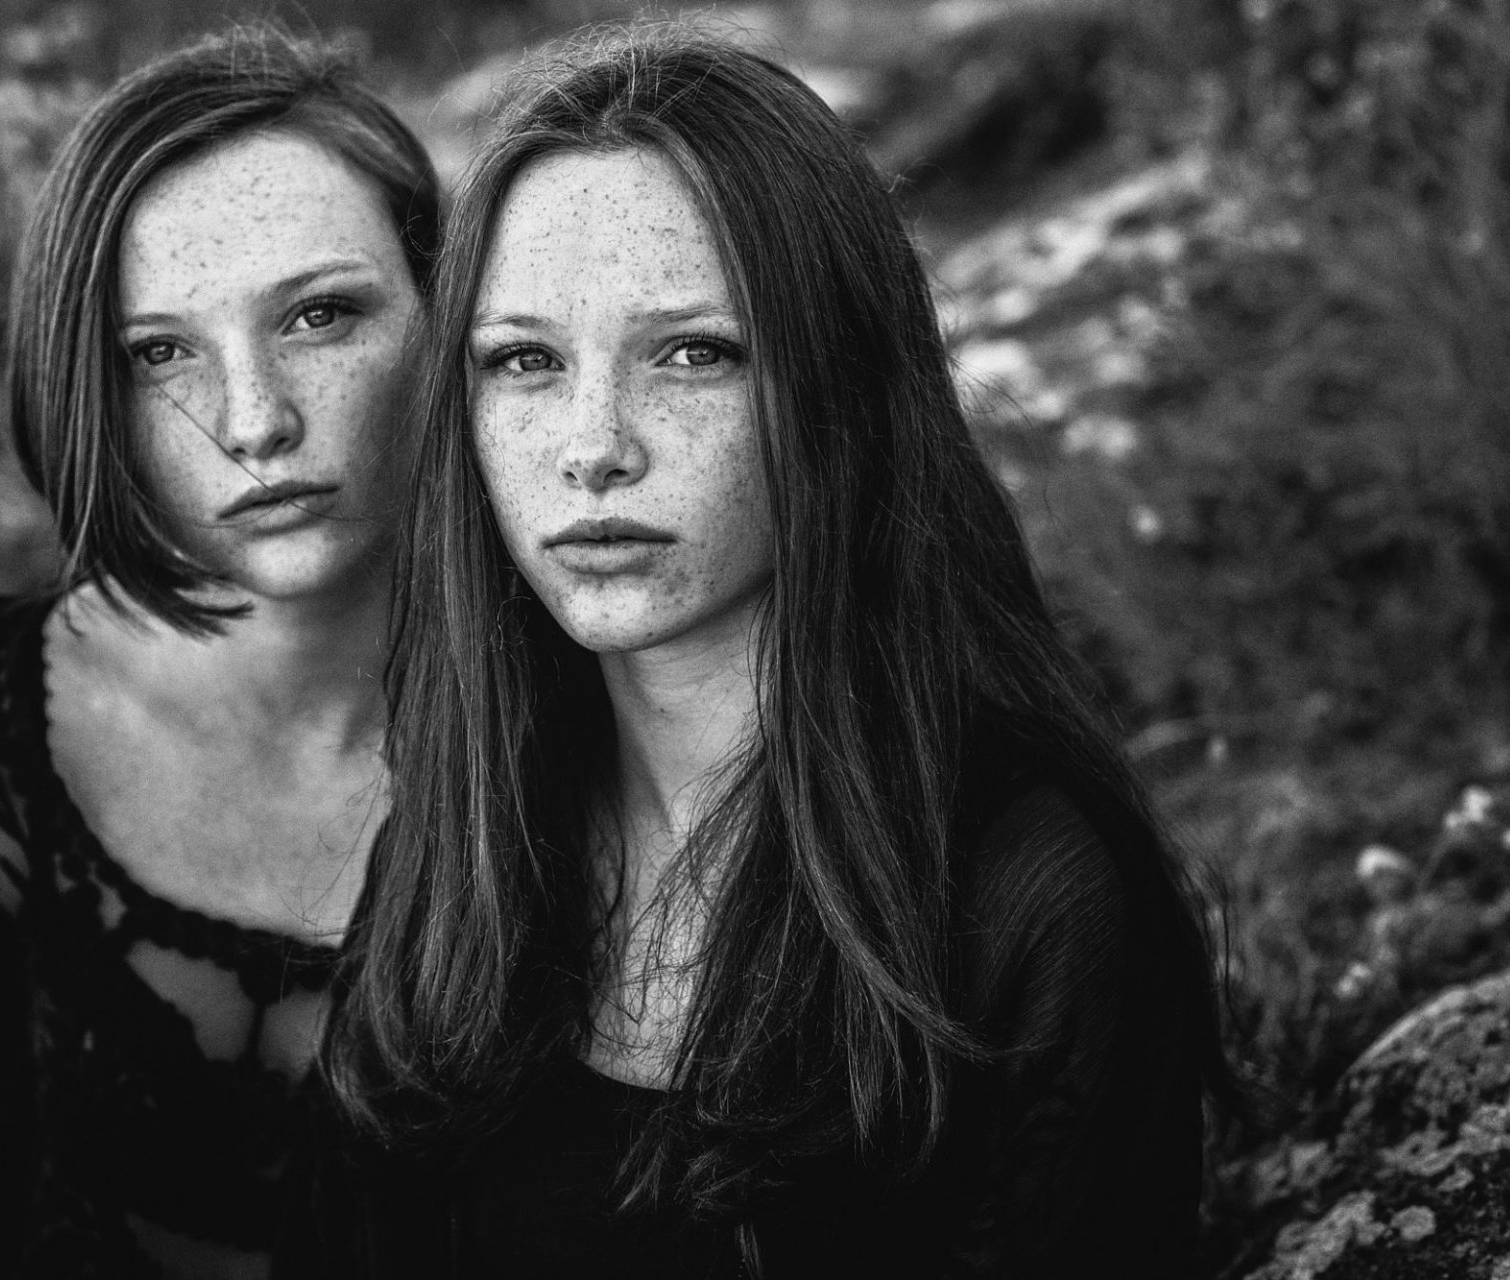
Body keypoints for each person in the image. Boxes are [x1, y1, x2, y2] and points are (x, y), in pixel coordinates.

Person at [324, 27, 1234, 1278]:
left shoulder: (1034, 903)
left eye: (692, 351)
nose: (593, 445)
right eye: (525, 360)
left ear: (836, 384)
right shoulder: (461, 845)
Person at [0, 25, 439, 1279]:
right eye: (160, 352)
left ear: (447, 309)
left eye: (321, 316)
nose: (254, 420)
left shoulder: (614, 704)